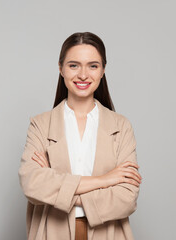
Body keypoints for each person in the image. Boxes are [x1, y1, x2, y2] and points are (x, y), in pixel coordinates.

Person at [18, 32, 142, 240]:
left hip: (108, 234)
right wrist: (105, 180)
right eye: (74, 65)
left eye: (93, 66)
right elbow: (32, 184)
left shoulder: (121, 126)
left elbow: (127, 197)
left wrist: (58, 187)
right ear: (61, 68)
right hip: (51, 232)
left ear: (103, 70)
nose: (83, 75)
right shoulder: (41, 124)